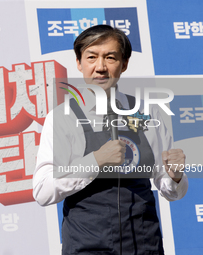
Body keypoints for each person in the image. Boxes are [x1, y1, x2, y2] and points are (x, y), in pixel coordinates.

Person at [33, 25, 188, 255]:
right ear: (79, 63)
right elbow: (43, 191)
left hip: (145, 245)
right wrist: (95, 161)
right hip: (87, 247)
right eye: (92, 57)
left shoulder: (147, 113)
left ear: (124, 64)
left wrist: (175, 176)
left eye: (110, 57)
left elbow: (169, 188)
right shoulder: (62, 118)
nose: (100, 67)